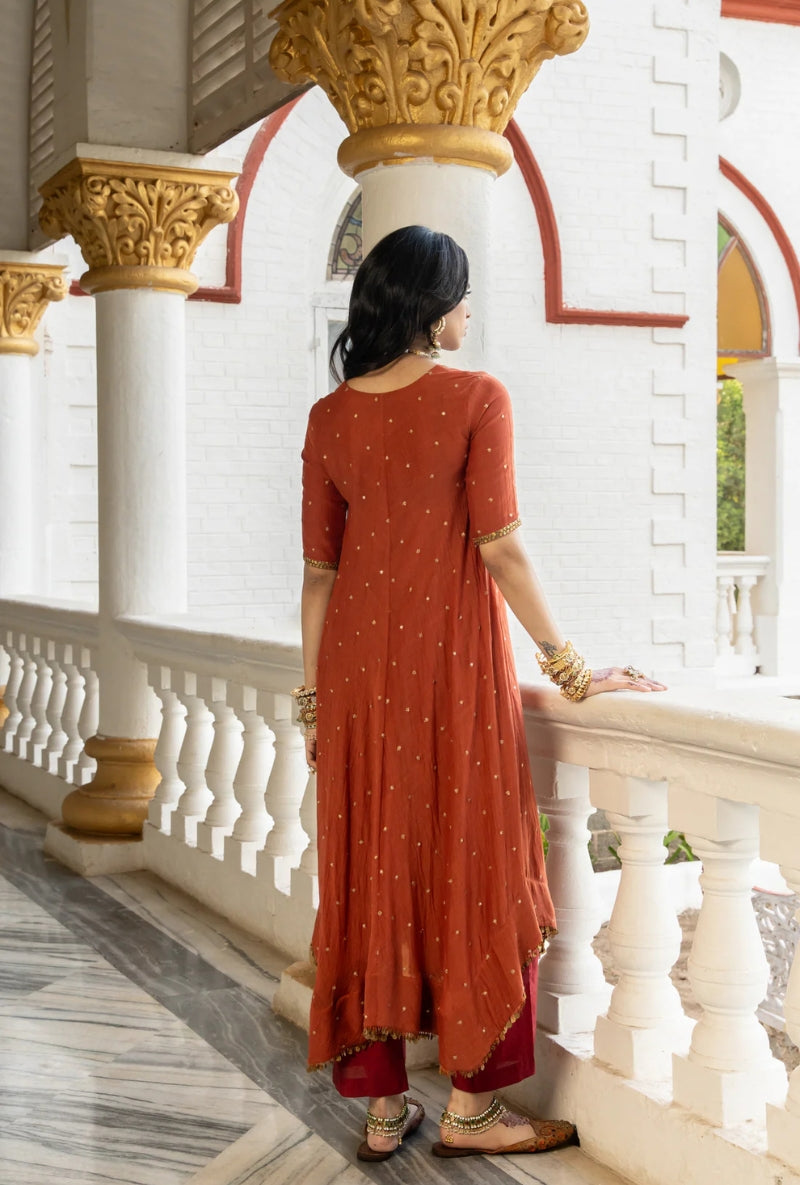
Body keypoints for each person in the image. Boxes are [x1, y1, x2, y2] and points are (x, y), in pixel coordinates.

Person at [296, 225, 666, 1162]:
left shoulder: (329, 417)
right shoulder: (476, 397)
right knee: (473, 856)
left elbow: (318, 574)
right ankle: (470, 1109)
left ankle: (384, 1112)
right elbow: (499, 545)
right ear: (431, 306)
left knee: (372, 866)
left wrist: (313, 702)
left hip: (353, 676)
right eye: (461, 294)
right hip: (450, 667)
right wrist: (572, 667)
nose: (470, 309)